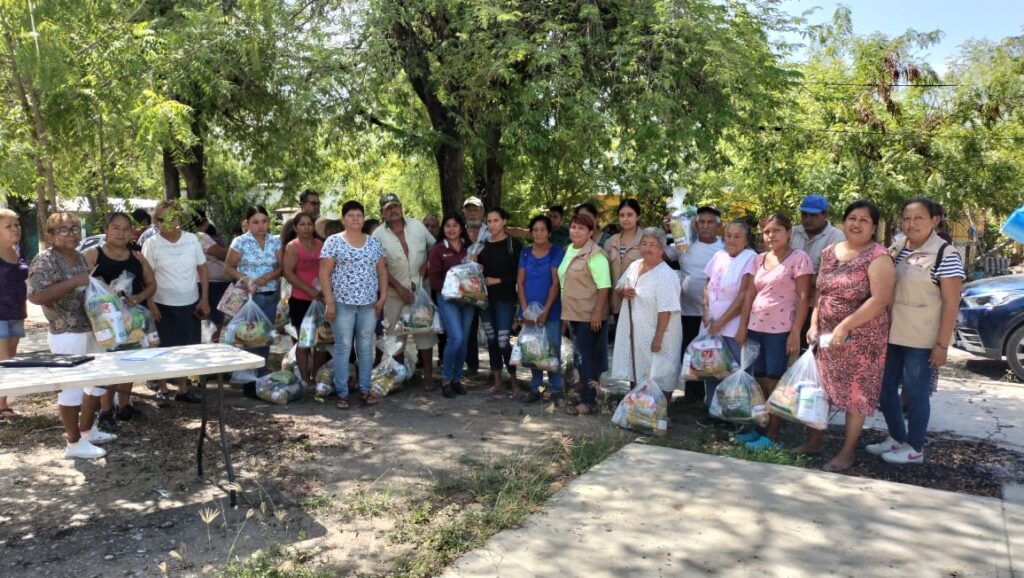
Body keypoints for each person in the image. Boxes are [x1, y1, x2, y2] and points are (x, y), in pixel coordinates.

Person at [793, 200, 894, 471]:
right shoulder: (829, 252)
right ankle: (814, 441)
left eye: (864, 220)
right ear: (843, 221)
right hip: (828, 336)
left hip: (863, 338)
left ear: (874, 227)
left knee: (856, 394)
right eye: (852, 218)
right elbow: (820, 292)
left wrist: (846, 325)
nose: (856, 224)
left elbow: (880, 299)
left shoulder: (879, 256)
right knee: (821, 388)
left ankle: (847, 452)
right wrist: (813, 324)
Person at [867, 196, 964, 465]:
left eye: (919, 218)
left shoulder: (946, 254)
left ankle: (915, 447)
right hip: (892, 332)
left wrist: (942, 345)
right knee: (885, 390)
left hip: (922, 337)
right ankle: (897, 437)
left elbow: (951, 302)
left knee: (915, 392)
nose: (911, 224)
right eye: (907, 218)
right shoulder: (897, 248)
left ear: (935, 220)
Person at [28, 213, 115, 458]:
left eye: (75, 228)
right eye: (64, 230)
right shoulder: (45, 260)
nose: (72, 233)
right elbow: (35, 296)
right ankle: (74, 443)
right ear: (51, 235)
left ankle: (87, 431)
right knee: (71, 388)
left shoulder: (78, 256)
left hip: (92, 328)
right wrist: (74, 281)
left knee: (98, 381)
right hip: (66, 331)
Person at [738, 213, 812, 450]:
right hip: (756, 327)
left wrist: (796, 331)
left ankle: (774, 433)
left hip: (780, 329)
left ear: (788, 232)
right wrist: (743, 326)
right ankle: (759, 426)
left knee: (776, 381)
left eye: (777, 230)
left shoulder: (799, 258)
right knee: (758, 380)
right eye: (767, 231)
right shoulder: (758, 259)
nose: (771, 236)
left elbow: (803, 297)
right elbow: (750, 293)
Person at [83, 212, 157, 426]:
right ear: (106, 229)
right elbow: (81, 283)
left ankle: (124, 405)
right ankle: (106, 411)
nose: (121, 232)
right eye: (116, 227)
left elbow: (152, 283)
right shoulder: (93, 254)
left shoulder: (136, 255)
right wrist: (105, 297)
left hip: (132, 320)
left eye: (126, 229)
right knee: (108, 365)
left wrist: (139, 298)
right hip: (103, 322)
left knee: (129, 363)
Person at [320, 200, 388, 409]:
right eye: (351, 215)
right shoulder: (334, 242)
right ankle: (343, 393)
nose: (356, 218)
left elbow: (382, 271)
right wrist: (329, 302)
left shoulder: (373, 242)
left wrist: (382, 297)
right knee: (343, 348)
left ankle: (365, 390)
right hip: (342, 305)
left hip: (368, 305)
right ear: (343, 219)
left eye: (359, 215)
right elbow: (324, 272)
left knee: (366, 348)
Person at [142, 201, 210, 405]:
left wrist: (204, 298)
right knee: (163, 348)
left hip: (190, 302)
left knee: (187, 348)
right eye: (164, 219)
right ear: (157, 222)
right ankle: (163, 389)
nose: (170, 223)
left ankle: (183, 388)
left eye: (174, 218)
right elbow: (148, 275)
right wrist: (150, 302)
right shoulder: (151, 243)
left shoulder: (191, 240)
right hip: (162, 304)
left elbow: (203, 269)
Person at [373, 193, 438, 385]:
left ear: (401, 207)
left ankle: (428, 376)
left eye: (395, 206)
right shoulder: (378, 234)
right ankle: (401, 376)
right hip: (394, 293)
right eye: (388, 208)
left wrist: (426, 266)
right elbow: (379, 266)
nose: (393, 210)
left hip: (420, 291)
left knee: (425, 332)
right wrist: (398, 287)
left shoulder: (417, 225)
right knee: (396, 335)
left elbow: (434, 247)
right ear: (382, 212)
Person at [698, 220, 757, 427]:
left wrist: (722, 321)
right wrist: (706, 312)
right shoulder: (719, 255)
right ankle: (713, 412)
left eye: (737, 236)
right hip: (711, 323)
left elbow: (743, 295)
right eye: (729, 235)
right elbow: (707, 285)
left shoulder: (750, 258)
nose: (731, 240)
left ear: (746, 239)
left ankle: (735, 414)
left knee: (735, 370)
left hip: (732, 325)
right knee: (712, 368)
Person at [611, 227, 682, 396]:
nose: (647, 248)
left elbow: (666, 310)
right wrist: (624, 291)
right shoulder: (635, 266)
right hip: (636, 333)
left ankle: (659, 413)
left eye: (653, 245)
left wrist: (658, 339)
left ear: (661, 250)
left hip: (659, 334)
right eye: (644, 243)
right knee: (636, 368)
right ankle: (636, 409)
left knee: (659, 374)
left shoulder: (666, 275)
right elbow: (620, 287)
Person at [666, 206, 724, 403]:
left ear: (718, 226)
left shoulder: (725, 248)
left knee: (712, 356)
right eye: (702, 222)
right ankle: (692, 397)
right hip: (686, 310)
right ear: (695, 224)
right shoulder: (685, 245)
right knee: (688, 353)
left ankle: (714, 399)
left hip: (714, 314)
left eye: (710, 222)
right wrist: (668, 228)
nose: (705, 226)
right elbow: (662, 255)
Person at [559, 212, 611, 416]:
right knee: (581, 357)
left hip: (589, 315)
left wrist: (597, 314)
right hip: (573, 312)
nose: (576, 231)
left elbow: (604, 287)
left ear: (591, 232)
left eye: (581, 228)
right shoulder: (569, 250)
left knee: (586, 358)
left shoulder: (596, 254)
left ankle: (588, 402)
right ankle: (589, 394)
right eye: (573, 227)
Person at [225, 206, 283, 378]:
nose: (260, 226)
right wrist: (245, 279)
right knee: (247, 336)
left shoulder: (274, 241)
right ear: (247, 223)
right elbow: (228, 267)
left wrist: (269, 276)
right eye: (255, 222)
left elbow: (282, 267)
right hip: (248, 297)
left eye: (264, 221)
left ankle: (261, 375)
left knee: (265, 337)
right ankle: (245, 377)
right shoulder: (240, 242)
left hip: (270, 295)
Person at [516, 215, 565, 404]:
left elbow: (555, 284)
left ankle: (555, 390)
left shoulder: (556, 252)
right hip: (529, 310)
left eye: (542, 230)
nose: (538, 233)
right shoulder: (526, 253)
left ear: (549, 232)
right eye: (535, 230)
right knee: (532, 349)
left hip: (550, 310)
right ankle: (535, 388)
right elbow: (520, 282)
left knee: (552, 349)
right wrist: (525, 310)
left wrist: (545, 312)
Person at [477, 208, 524, 396]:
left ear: (504, 221)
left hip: (504, 299)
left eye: (496, 220)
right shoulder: (481, 245)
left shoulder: (514, 244)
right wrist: (476, 266)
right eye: (489, 221)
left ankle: (514, 382)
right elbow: (476, 272)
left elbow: (519, 275)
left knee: (503, 341)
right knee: (491, 340)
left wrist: (498, 280)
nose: (492, 224)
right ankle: (497, 383)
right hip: (485, 300)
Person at [428, 213, 473, 398]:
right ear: (443, 229)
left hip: (469, 301)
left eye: (455, 225)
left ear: (461, 228)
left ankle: (456, 378)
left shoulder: (469, 248)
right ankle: (446, 380)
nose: (451, 229)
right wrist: (453, 294)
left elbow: (476, 274)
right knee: (456, 338)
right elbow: (434, 279)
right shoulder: (438, 249)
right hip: (448, 300)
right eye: (447, 226)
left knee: (463, 342)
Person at [282, 212, 325, 386]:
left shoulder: (320, 244)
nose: (306, 227)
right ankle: (305, 377)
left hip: (321, 299)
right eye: (302, 224)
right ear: (295, 228)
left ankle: (316, 375)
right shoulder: (293, 247)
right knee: (305, 340)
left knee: (322, 339)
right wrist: (308, 289)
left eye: (309, 224)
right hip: (300, 299)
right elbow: (288, 272)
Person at [0, 208, 27, 417]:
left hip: (17, 310)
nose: (15, 229)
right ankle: (2, 405)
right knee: (4, 358)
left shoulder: (17, 249)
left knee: (11, 357)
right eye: (8, 226)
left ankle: (2, 402)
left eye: (16, 225)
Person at [605, 199, 644, 318]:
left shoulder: (646, 240)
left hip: (638, 302)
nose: (625, 219)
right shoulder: (610, 242)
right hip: (616, 302)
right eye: (622, 215)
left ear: (638, 217)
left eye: (630, 215)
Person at [790, 195, 846, 274]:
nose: (807, 219)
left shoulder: (837, 238)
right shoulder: (793, 232)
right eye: (804, 214)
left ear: (825, 214)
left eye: (813, 215)